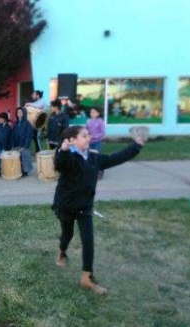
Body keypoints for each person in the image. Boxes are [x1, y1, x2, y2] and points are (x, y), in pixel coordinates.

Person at [53, 125, 145, 294]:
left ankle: (87, 278)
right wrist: (64, 150)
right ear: (72, 140)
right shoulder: (69, 157)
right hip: (66, 205)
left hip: (85, 207)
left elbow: (114, 158)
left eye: (88, 135)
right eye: (84, 135)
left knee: (88, 241)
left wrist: (136, 145)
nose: (89, 138)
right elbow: (60, 165)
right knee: (67, 234)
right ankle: (62, 251)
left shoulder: (93, 158)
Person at [12, 107, 33, 176]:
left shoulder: (27, 123)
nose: (19, 114)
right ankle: (19, 170)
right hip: (17, 144)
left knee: (24, 157)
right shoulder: (15, 123)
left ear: (24, 113)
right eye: (18, 113)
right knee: (18, 158)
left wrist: (26, 145)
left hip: (24, 144)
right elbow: (13, 133)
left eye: (20, 113)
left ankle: (25, 171)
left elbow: (28, 135)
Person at [86, 107, 106, 179]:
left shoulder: (100, 121)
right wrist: (86, 135)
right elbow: (86, 130)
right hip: (89, 142)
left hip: (97, 142)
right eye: (91, 112)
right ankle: (91, 172)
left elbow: (102, 133)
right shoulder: (88, 121)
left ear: (98, 113)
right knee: (90, 156)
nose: (92, 114)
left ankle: (100, 171)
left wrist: (93, 136)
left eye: (94, 112)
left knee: (97, 157)